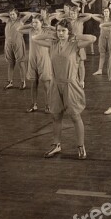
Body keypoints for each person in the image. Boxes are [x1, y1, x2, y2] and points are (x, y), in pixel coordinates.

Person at [32, 19, 96, 160]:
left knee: (74, 116)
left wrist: (75, 36)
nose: (60, 33)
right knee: (55, 116)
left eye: (63, 31)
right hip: (55, 84)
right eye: (59, 30)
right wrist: (52, 34)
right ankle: (56, 145)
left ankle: (80, 146)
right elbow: (35, 38)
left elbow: (92, 38)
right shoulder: (52, 44)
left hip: (70, 84)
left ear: (69, 32)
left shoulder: (75, 45)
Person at [22, 15, 54, 113]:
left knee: (46, 84)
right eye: (33, 22)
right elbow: (19, 28)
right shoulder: (31, 31)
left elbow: (57, 32)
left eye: (36, 22)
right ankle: (34, 104)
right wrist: (30, 24)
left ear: (41, 23)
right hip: (32, 59)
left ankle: (48, 105)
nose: (34, 24)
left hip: (44, 59)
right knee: (33, 83)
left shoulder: (46, 31)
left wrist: (48, 26)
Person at [0, 9, 31, 90]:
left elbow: (29, 13)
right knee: (10, 63)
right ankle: (10, 82)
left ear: (17, 14)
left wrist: (19, 13)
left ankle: (23, 82)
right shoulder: (7, 20)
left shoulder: (21, 20)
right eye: (11, 15)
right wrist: (9, 13)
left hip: (18, 43)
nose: (12, 16)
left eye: (13, 14)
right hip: (8, 44)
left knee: (21, 63)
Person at [91, 8, 111, 76]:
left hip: (110, 38)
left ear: (109, 12)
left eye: (107, 11)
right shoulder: (101, 20)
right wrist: (99, 15)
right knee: (102, 54)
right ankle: (100, 70)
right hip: (102, 38)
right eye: (104, 11)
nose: (106, 13)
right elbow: (92, 16)